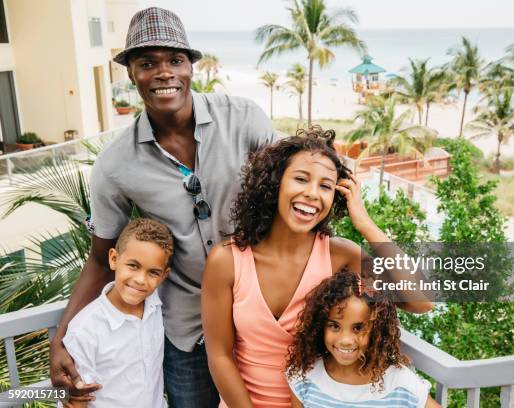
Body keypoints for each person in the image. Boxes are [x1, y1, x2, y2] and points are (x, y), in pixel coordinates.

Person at [49, 7, 276, 407]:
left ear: (190, 66)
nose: (164, 72)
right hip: (187, 332)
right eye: (147, 63)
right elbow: (102, 259)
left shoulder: (245, 118)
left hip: (259, 316)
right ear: (132, 74)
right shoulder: (115, 164)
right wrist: (61, 338)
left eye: (175, 60)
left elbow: (296, 190)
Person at [202, 127, 433, 407]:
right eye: (301, 179)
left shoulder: (341, 257)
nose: (313, 194)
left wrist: (365, 223)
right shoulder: (226, 260)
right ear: (275, 183)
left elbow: (420, 301)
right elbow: (219, 355)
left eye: (325, 186)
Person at [60, 218, 173, 408]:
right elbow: (75, 401)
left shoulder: (155, 305)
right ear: (114, 259)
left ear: (164, 276)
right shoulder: (85, 330)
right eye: (133, 266)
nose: (140, 280)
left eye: (153, 272)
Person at [285, 270, 440, 408]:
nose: (345, 340)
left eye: (358, 328)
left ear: (377, 329)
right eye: (334, 326)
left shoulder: (401, 385)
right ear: (320, 326)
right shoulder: (304, 378)